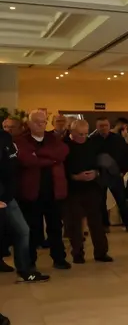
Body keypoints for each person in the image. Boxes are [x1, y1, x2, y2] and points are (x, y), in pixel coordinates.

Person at [16, 109, 70, 270]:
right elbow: (26, 159)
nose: (41, 125)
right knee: (32, 228)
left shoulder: (52, 138)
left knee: (55, 227)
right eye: (37, 122)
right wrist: (50, 159)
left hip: (53, 190)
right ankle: (30, 261)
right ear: (29, 123)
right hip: (31, 191)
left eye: (43, 122)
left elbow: (61, 153)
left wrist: (38, 156)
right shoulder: (21, 140)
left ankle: (59, 258)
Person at [0, 121, 49, 284]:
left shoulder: (5, 138)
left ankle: (25, 271)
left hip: (8, 196)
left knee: (22, 231)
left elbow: (12, 166)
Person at [63, 116, 110, 264]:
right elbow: (60, 169)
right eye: (79, 134)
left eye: (85, 134)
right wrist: (75, 177)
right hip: (73, 189)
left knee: (96, 221)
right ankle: (77, 253)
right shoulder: (64, 146)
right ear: (72, 132)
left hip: (92, 187)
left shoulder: (93, 144)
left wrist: (96, 173)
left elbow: (102, 163)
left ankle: (101, 252)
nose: (83, 137)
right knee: (75, 224)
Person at [92, 116, 128, 232]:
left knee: (122, 200)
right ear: (97, 127)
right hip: (100, 175)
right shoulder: (92, 140)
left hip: (116, 174)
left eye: (105, 125)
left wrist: (123, 170)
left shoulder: (118, 139)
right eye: (101, 126)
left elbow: (127, 155)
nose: (103, 128)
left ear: (109, 126)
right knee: (101, 201)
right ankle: (104, 225)